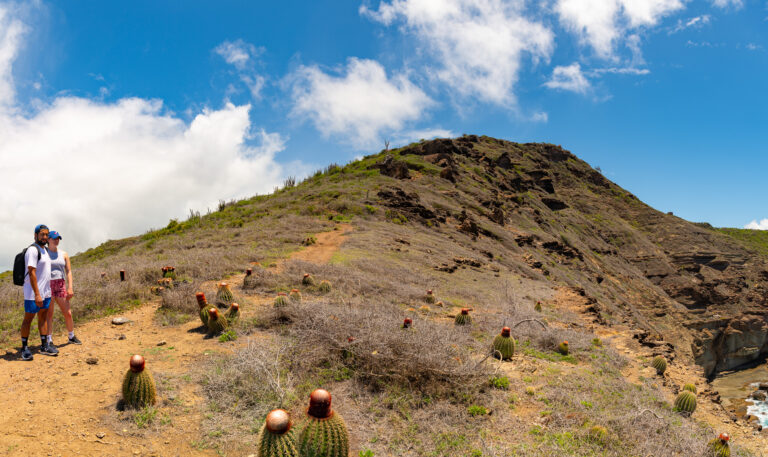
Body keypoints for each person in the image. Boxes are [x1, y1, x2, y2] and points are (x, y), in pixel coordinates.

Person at [20, 224, 58, 360]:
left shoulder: (45, 250)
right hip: (33, 293)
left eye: (47, 235)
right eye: (42, 234)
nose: (45, 237)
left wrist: (46, 291)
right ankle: (24, 348)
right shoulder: (33, 250)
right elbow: (31, 273)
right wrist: (37, 294)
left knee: (43, 317)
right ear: (35, 235)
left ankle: (44, 345)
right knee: (28, 319)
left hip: (46, 292)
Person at [45, 230, 81, 346]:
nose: (56, 241)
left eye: (58, 238)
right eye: (54, 238)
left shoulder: (64, 254)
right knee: (49, 314)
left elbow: (69, 271)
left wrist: (70, 287)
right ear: (48, 240)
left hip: (60, 284)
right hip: (48, 285)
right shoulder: (44, 253)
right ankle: (49, 340)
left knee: (68, 313)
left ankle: (71, 336)